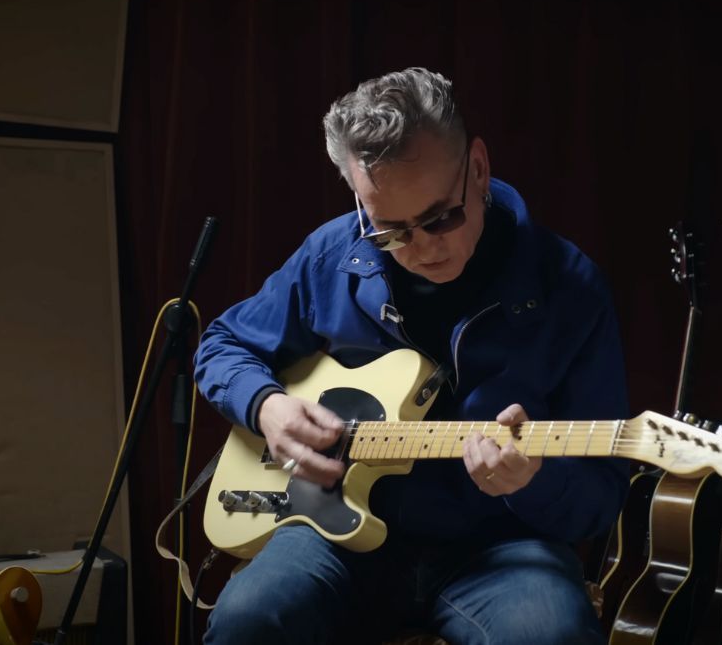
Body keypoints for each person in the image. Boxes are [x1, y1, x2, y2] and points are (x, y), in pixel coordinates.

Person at [195, 67, 630, 644]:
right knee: (247, 621)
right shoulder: (331, 253)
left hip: (499, 546)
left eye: (440, 217)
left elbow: (600, 498)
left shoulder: (570, 287)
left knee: (553, 635)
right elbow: (222, 344)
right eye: (389, 232)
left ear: (477, 168)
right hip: (330, 534)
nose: (422, 248)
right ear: (358, 198)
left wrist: (533, 482)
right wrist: (267, 407)